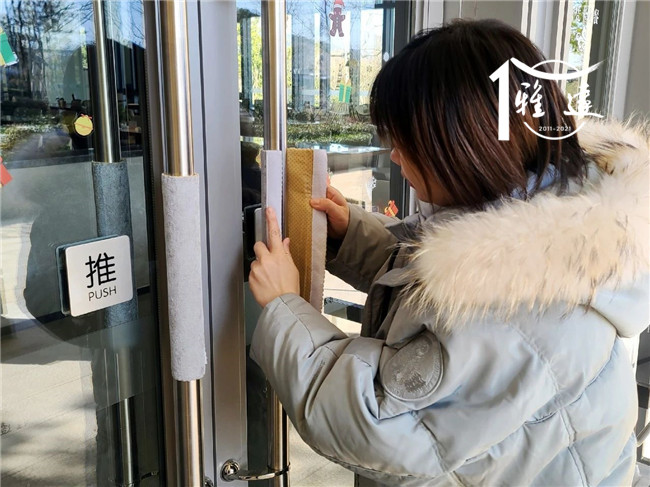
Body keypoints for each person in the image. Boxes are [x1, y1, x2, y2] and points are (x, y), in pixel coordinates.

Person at [248, 18, 649, 487]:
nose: (394, 155)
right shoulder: (544, 220)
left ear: (463, 146)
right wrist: (349, 233)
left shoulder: (516, 307)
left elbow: (378, 423)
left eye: (404, 140)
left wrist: (284, 308)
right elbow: (436, 280)